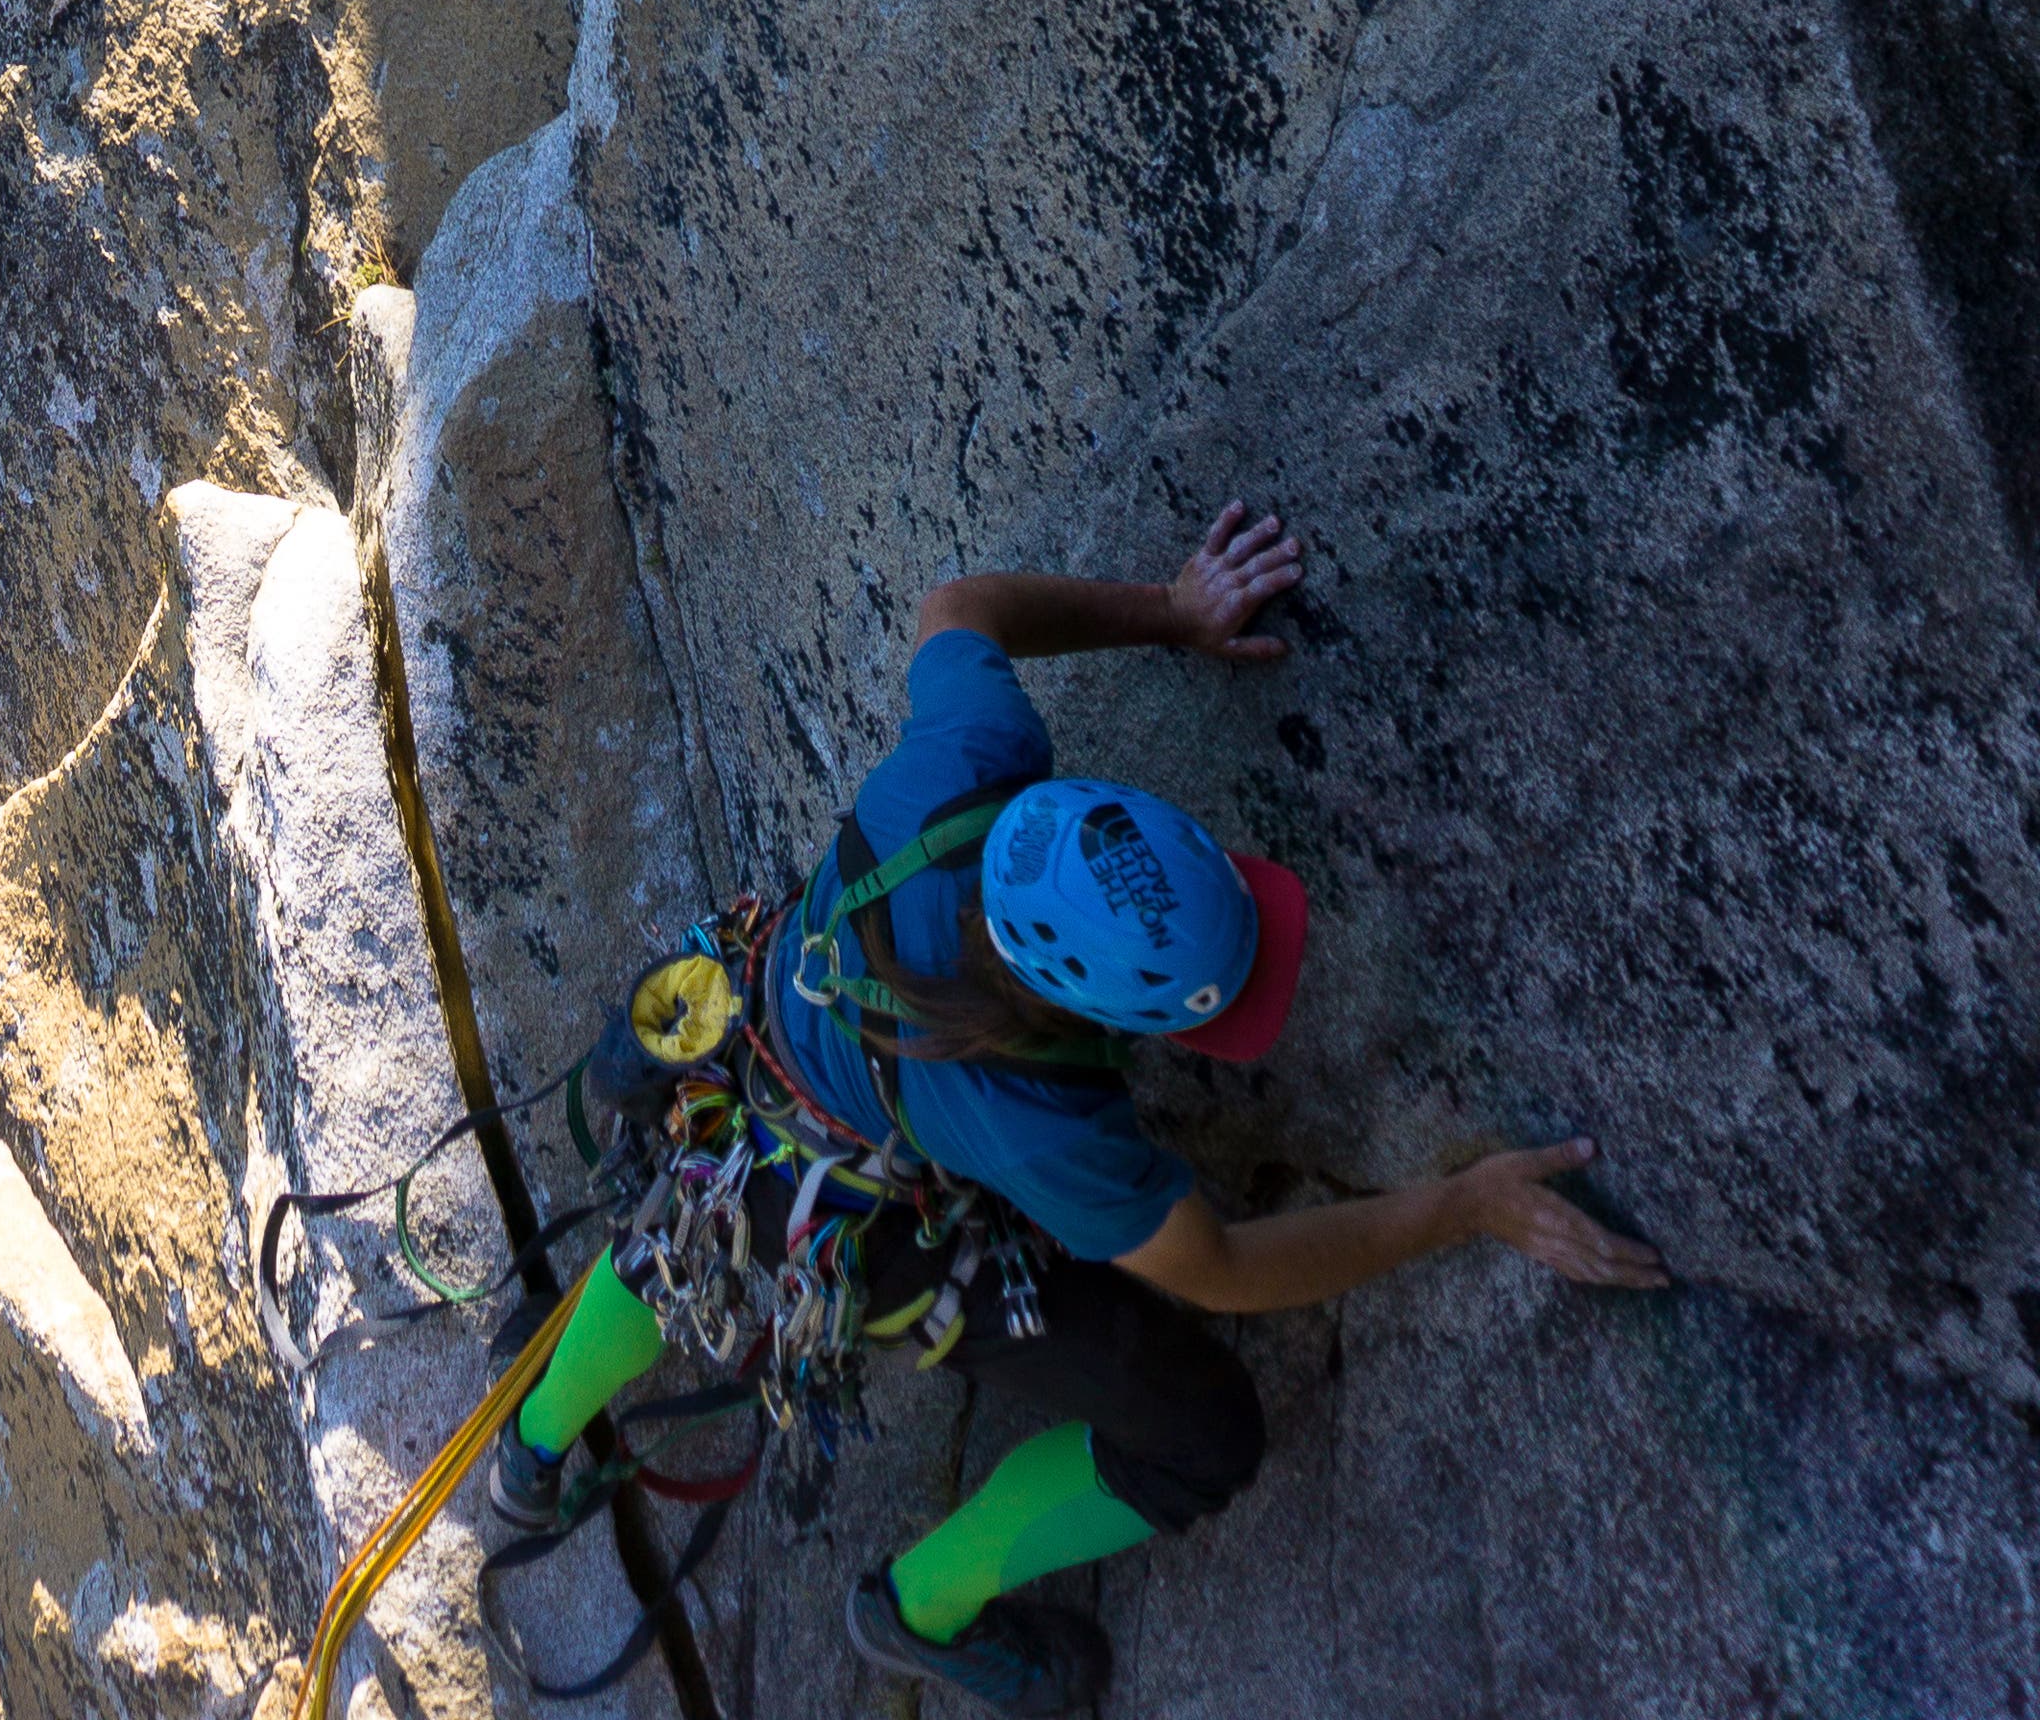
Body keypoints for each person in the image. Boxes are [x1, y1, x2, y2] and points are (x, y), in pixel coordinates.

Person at [495, 502, 1668, 1713]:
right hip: (856, 1207)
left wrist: (1171, 612)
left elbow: (957, 609)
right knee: (1204, 1438)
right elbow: (1219, 1269)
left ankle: (530, 1450)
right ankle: (920, 1608)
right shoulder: (1045, 1124)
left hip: (761, 1017)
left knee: (702, 1210)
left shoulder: (977, 759)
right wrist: (1462, 1206)